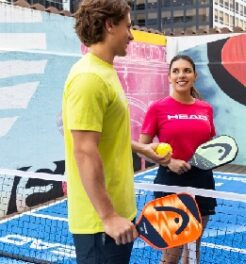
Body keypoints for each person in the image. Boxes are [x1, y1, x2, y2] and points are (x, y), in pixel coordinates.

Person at [62, 0, 169, 263]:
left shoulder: (104, 71)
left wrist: (142, 148)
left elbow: (104, 135)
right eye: (128, 27)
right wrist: (108, 216)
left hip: (117, 213)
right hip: (101, 223)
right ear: (110, 25)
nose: (131, 35)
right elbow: (84, 150)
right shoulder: (89, 78)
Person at [139, 55, 216, 264]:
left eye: (186, 70)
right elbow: (142, 148)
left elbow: (211, 144)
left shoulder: (205, 109)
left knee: (193, 250)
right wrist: (167, 162)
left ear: (194, 75)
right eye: (176, 71)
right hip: (170, 184)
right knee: (171, 253)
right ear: (169, 77)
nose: (181, 75)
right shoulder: (158, 108)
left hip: (203, 182)